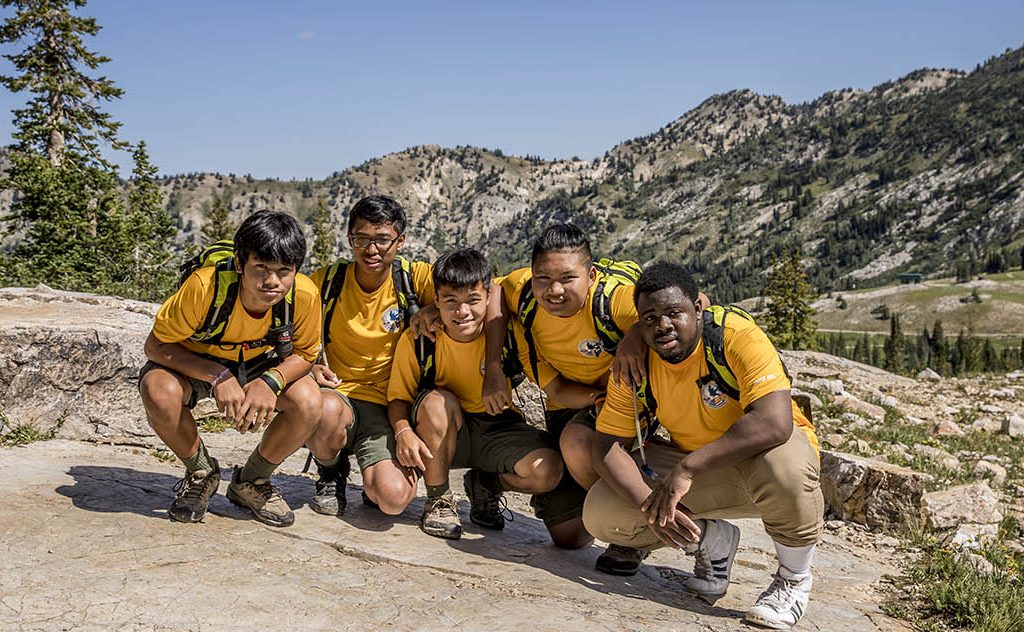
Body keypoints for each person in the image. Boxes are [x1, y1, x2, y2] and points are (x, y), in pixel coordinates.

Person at [583, 261, 823, 630]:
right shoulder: (636, 361)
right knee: (602, 512)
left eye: (673, 313)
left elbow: (774, 422)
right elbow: (606, 445)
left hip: (762, 457)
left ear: (698, 308)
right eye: (649, 318)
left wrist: (689, 467)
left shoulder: (733, 335)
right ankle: (711, 540)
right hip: (702, 467)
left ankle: (793, 580)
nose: (662, 326)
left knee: (784, 467)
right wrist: (649, 508)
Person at [139, 210, 323, 527]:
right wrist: (217, 376)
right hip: (195, 364)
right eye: (261, 268)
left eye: (284, 271)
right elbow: (156, 346)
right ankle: (201, 472)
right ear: (240, 264)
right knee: (158, 389)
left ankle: (252, 481)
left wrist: (272, 381)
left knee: (308, 401)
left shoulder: (303, 295)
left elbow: (306, 354)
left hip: (257, 365)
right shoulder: (204, 288)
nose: (272, 282)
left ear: (296, 270)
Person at [388, 248, 562, 539]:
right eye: (450, 302)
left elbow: (504, 287)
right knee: (436, 402)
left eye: (472, 300)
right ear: (436, 300)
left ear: (488, 297)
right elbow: (398, 398)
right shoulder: (420, 340)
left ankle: (487, 483)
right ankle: (439, 498)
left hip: (495, 426)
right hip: (441, 432)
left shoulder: (507, 334)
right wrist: (402, 430)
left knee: (547, 471)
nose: (462, 312)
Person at [304, 195, 435, 518]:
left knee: (392, 501)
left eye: (382, 240)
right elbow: (282, 312)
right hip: (339, 396)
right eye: (361, 239)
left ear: (400, 241)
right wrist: (308, 367)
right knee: (323, 407)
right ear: (350, 239)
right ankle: (331, 471)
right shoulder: (328, 282)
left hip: (390, 406)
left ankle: (374, 477)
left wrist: (434, 308)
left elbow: (478, 293)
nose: (371, 250)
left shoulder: (414, 279)